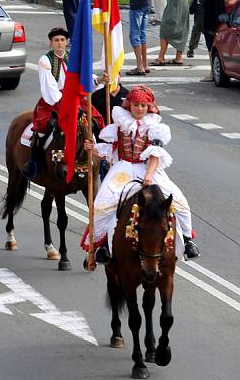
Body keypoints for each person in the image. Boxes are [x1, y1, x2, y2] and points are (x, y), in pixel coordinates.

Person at [82, 85, 199, 264]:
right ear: (129, 105)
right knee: (102, 204)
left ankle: (188, 241)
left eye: (143, 106)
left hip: (149, 170)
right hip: (123, 169)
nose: (140, 109)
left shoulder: (155, 127)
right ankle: (103, 245)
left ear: (149, 107)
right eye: (136, 105)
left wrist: (149, 176)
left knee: (181, 202)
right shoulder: (119, 125)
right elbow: (111, 148)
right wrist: (93, 148)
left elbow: (155, 154)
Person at [22, 27, 69, 179]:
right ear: (51, 43)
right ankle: (34, 161)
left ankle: (101, 160)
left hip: (72, 99)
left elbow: (80, 77)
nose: (60, 43)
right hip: (52, 102)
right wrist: (62, 100)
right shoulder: (45, 61)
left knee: (95, 121)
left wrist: (98, 80)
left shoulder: (72, 57)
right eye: (56, 40)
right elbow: (49, 86)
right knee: (43, 128)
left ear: (66, 42)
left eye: (62, 40)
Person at [200, 0, 226, 82]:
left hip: (211, 22)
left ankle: (212, 73)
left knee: (211, 48)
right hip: (216, 21)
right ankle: (213, 72)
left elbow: (210, 4)